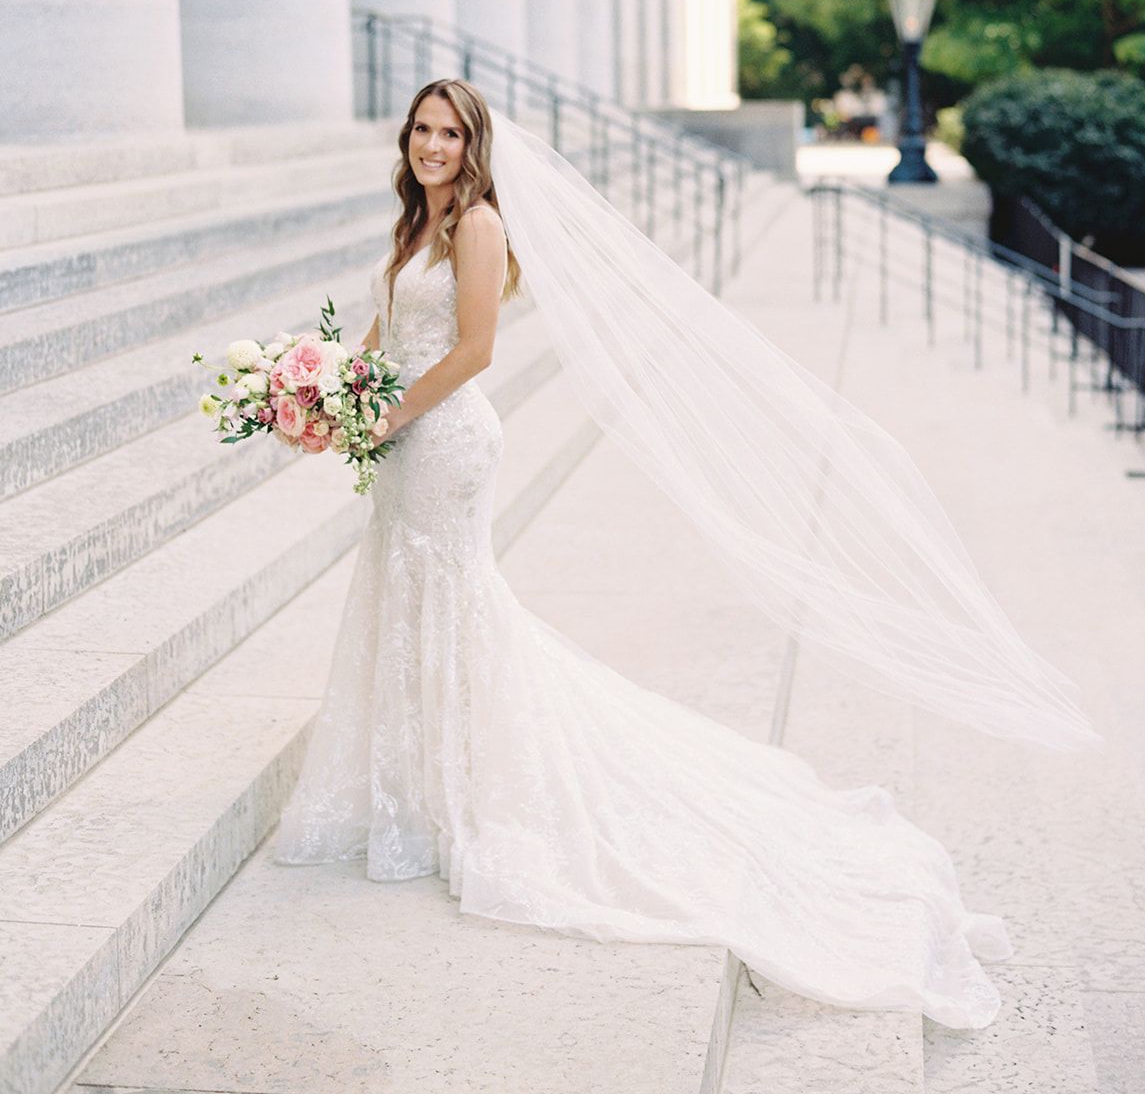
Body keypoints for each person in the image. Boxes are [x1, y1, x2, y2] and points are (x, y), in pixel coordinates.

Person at [273, 77, 1094, 1031]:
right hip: (401, 438)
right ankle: (412, 782)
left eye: (449, 133)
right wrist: (325, 393)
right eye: (421, 130)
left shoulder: (480, 225)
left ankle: (466, 788)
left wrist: (387, 416)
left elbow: (475, 349)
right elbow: (385, 333)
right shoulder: (416, 222)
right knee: (409, 599)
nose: (431, 145)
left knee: (455, 603)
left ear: (474, 143)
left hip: (445, 442)